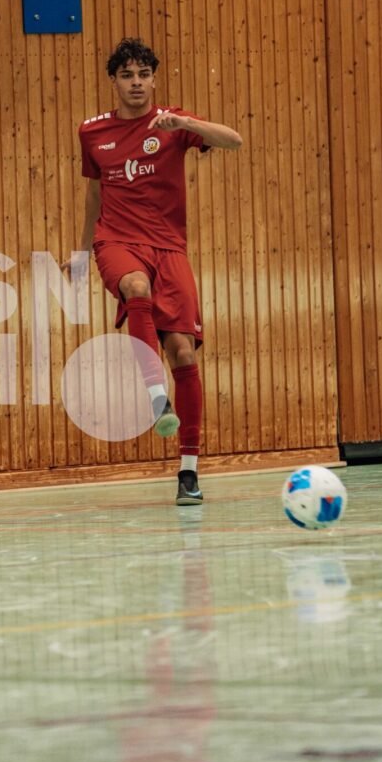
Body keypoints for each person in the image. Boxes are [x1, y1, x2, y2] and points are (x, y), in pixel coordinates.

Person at [70, 38, 243, 505]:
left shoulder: (172, 123)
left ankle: (188, 472)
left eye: (144, 75)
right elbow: (94, 195)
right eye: (127, 75)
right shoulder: (92, 132)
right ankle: (155, 394)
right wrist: (82, 252)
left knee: (184, 352)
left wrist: (185, 123)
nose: (136, 83)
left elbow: (234, 140)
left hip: (170, 248)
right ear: (114, 81)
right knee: (134, 285)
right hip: (117, 240)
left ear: (153, 80)